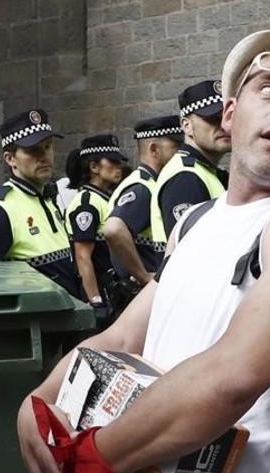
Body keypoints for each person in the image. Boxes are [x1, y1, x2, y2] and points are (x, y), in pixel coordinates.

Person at [17, 26, 270, 473]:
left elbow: (232, 376)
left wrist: (91, 463)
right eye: (269, 89)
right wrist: (40, 402)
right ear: (230, 115)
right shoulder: (198, 221)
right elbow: (121, 339)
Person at [0, 109, 82, 299]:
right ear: (10, 159)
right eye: (33, 150)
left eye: (48, 146)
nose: (45, 156)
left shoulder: (46, 197)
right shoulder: (1, 208)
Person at [102, 115, 183, 287]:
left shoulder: (150, 182)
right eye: (177, 146)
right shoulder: (143, 188)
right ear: (154, 150)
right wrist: (144, 276)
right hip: (139, 291)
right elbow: (114, 230)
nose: (182, 152)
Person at [149, 80, 232, 242]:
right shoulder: (185, 178)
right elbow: (192, 253)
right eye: (213, 118)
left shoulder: (202, 171)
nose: (224, 126)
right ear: (187, 126)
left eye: (228, 117)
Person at [63, 134, 129, 324]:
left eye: (120, 162)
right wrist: (96, 302)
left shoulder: (102, 199)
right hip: (99, 291)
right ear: (94, 167)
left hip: (112, 288)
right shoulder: (87, 204)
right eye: (113, 162)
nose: (119, 167)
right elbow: (83, 256)